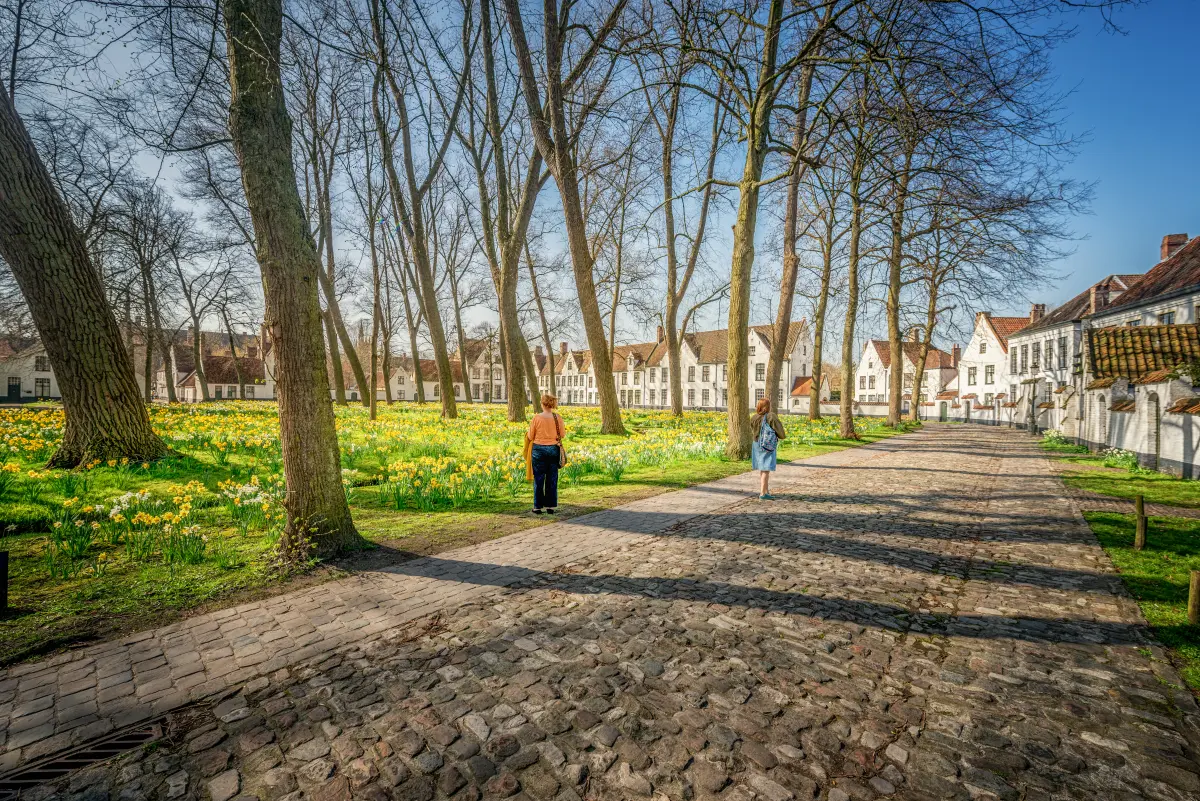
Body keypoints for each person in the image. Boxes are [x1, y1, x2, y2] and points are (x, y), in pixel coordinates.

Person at [526, 394, 565, 514]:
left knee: (539, 478)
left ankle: (537, 507)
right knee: (552, 478)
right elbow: (562, 435)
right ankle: (550, 506)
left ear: (542, 404)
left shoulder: (537, 418)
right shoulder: (557, 417)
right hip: (553, 449)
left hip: (538, 450)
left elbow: (530, 436)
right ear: (552, 404)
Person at [750, 397, 786, 500]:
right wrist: (782, 436)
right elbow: (779, 430)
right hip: (767, 444)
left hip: (756, 444)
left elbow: (752, 429)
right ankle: (762, 493)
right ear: (767, 406)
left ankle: (766, 490)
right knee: (766, 469)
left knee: (762, 468)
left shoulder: (754, 417)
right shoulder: (771, 416)